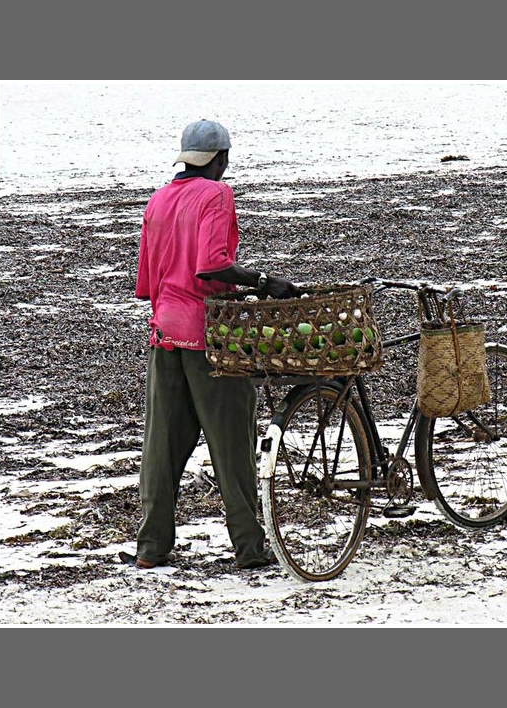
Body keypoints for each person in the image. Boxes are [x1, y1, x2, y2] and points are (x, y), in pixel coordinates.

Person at [119, 119, 298, 570]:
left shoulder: (158, 200)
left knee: (162, 447)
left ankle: (151, 547)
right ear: (220, 159)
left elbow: (146, 284)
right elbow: (212, 265)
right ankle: (249, 548)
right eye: (225, 160)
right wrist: (263, 281)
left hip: (164, 335)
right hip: (209, 338)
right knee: (231, 442)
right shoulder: (216, 194)